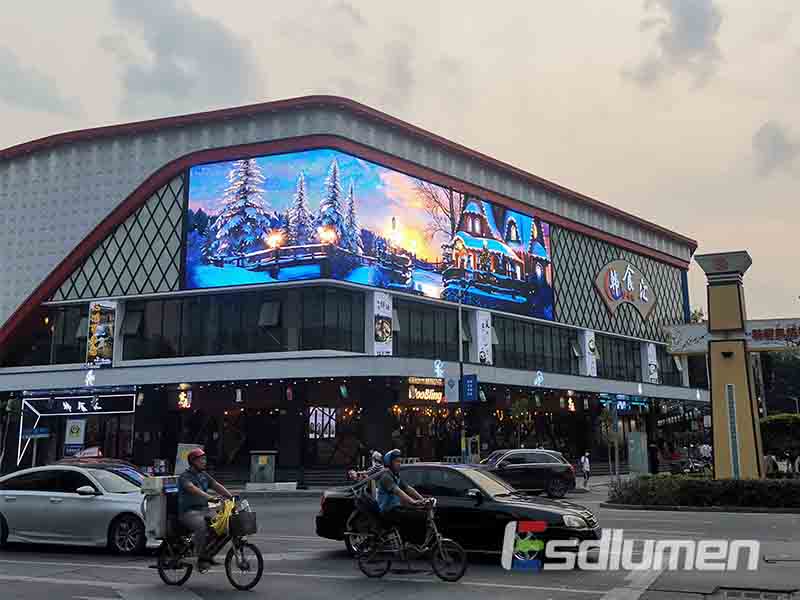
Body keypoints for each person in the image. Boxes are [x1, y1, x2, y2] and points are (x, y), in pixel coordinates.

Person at [178, 448, 233, 569]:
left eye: (204, 459)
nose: (204, 462)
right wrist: (210, 497)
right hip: (188, 512)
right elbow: (193, 489)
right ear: (193, 462)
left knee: (223, 526)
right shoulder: (185, 477)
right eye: (201, 460)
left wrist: (230, 496)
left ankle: (209, 555)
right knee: (201, 526)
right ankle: (200, 557)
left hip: (204, 510)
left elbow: (216, 485)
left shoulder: (204, 475)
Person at [377, 449, 428, 546]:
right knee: (415, 517)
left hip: (395, 507)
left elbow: (408, 488)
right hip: (387, 511)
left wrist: (422, 499)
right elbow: (398, 491)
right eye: (396, 461)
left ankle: (412, 543)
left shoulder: (396, 475)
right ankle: (411, 544)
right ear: (389, 463)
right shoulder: (386, 477)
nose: (399, 464)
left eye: (400, 461)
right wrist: (413, 502)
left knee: (420, 514)